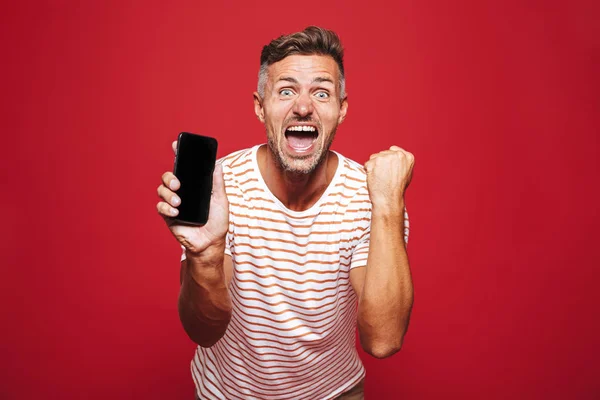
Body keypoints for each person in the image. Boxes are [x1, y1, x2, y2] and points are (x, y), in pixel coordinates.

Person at [156, 26, 415, 400]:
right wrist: (205, 256)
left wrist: (389, 205)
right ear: (260, 106)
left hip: (334, 393)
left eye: (322, 92)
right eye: (286, 90)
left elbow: (384, 339)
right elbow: (203, 330)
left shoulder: (373, 195)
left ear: (341, 109)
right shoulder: (222, 188)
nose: (304, 106)